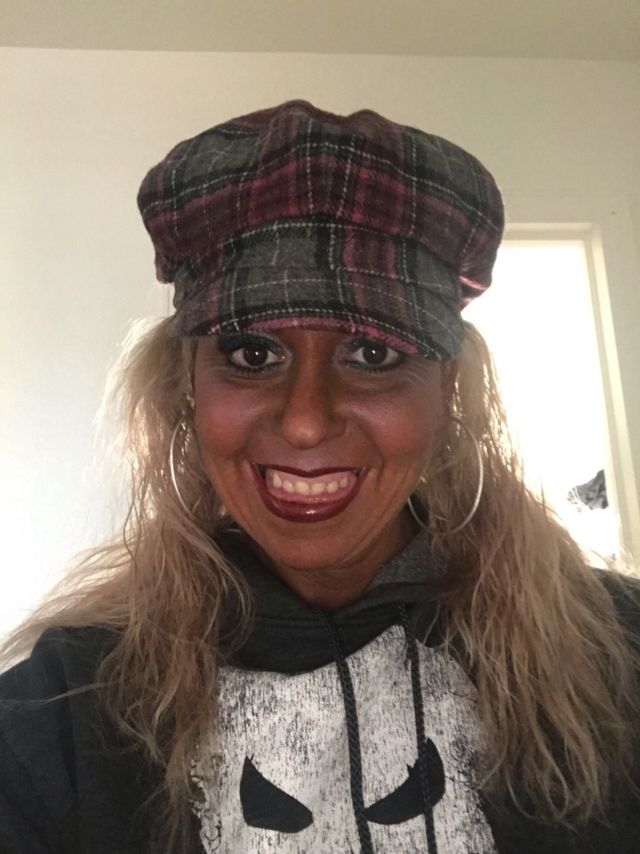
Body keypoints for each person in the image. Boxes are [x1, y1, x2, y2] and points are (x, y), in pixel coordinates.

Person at [1, 100, 639, 854]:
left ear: (449, 392)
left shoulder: (617, 659)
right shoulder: (62, 712)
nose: (306, 421)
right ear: (185, 391)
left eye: (372, 354)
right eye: (252, 353)